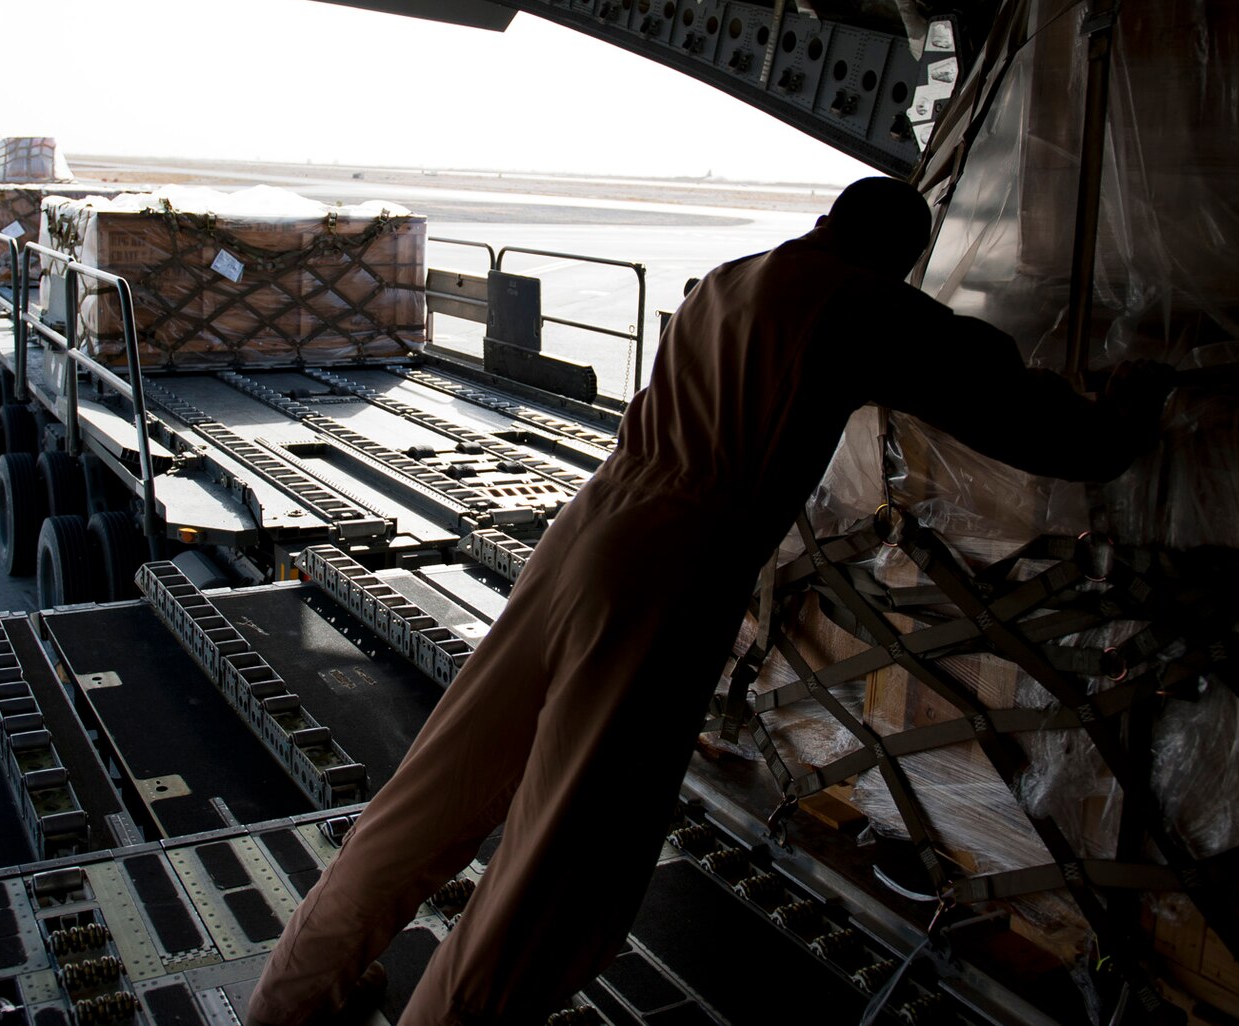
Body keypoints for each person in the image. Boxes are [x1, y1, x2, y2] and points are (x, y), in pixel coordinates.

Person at [247, 178, 1173, 1026]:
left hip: (588, 525)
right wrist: (1123, 415)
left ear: (824, 223)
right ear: (894, 257)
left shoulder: (734, 278)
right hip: (668, 568)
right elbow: (1010, 403)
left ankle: (295, 994)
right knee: (560, 857)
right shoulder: (858, 303)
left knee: (440, 783)